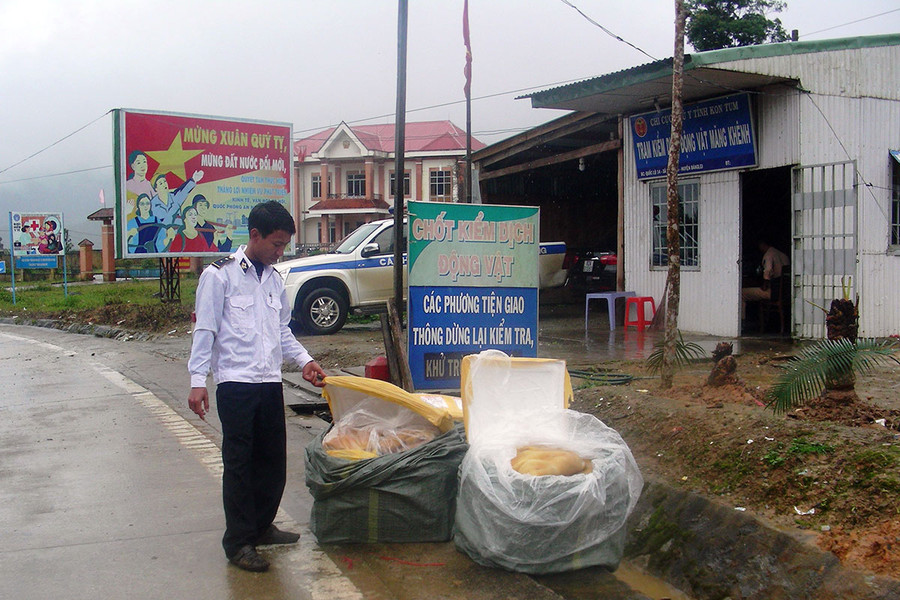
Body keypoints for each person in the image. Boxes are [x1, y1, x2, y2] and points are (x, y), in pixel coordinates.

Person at [187, 201, 327, 573]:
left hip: (268, 383)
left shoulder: (274, 280)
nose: (280, 252)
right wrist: (197, 381)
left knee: (271, 463)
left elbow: (282, 331)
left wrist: (305, 361)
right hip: (235, 385)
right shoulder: (220, 277)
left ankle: (262, 527)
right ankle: (238, 542)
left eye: (284, 246)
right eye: (276, 244)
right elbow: (205, 330)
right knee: (239, 465)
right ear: (254, 236)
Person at [741, 239, 790, 319]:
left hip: (773, 293)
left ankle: (741, 322)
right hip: (785, 293)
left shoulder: (769, 255)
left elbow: (767, 271)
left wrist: (765, 285)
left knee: (741, 293)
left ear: (762, 244)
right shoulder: (783, 255)